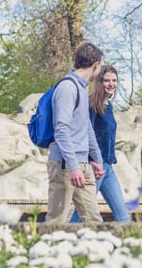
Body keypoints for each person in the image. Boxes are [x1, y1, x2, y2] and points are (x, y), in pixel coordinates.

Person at [45, 42, 105, 224]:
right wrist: (73, 166)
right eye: (100, 66)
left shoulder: (81, 88)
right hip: (65, 165)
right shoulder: (67, 88)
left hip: (82, 165)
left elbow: (86, 127)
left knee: (94, 222)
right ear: (96, 64)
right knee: (56, 222)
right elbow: (61, 130)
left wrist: (97, 158)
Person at [70, 65, 131, 222]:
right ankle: (62, 242)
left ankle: (135, 245)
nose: (111, 84)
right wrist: (91, 162)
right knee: (82, 213)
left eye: (114, 80)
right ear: (99, 82)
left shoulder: (108, 106)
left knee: (123, 215)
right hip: (94, 167)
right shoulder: (91, 105)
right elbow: (84, 134)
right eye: (106, 80)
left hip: (108, 167)